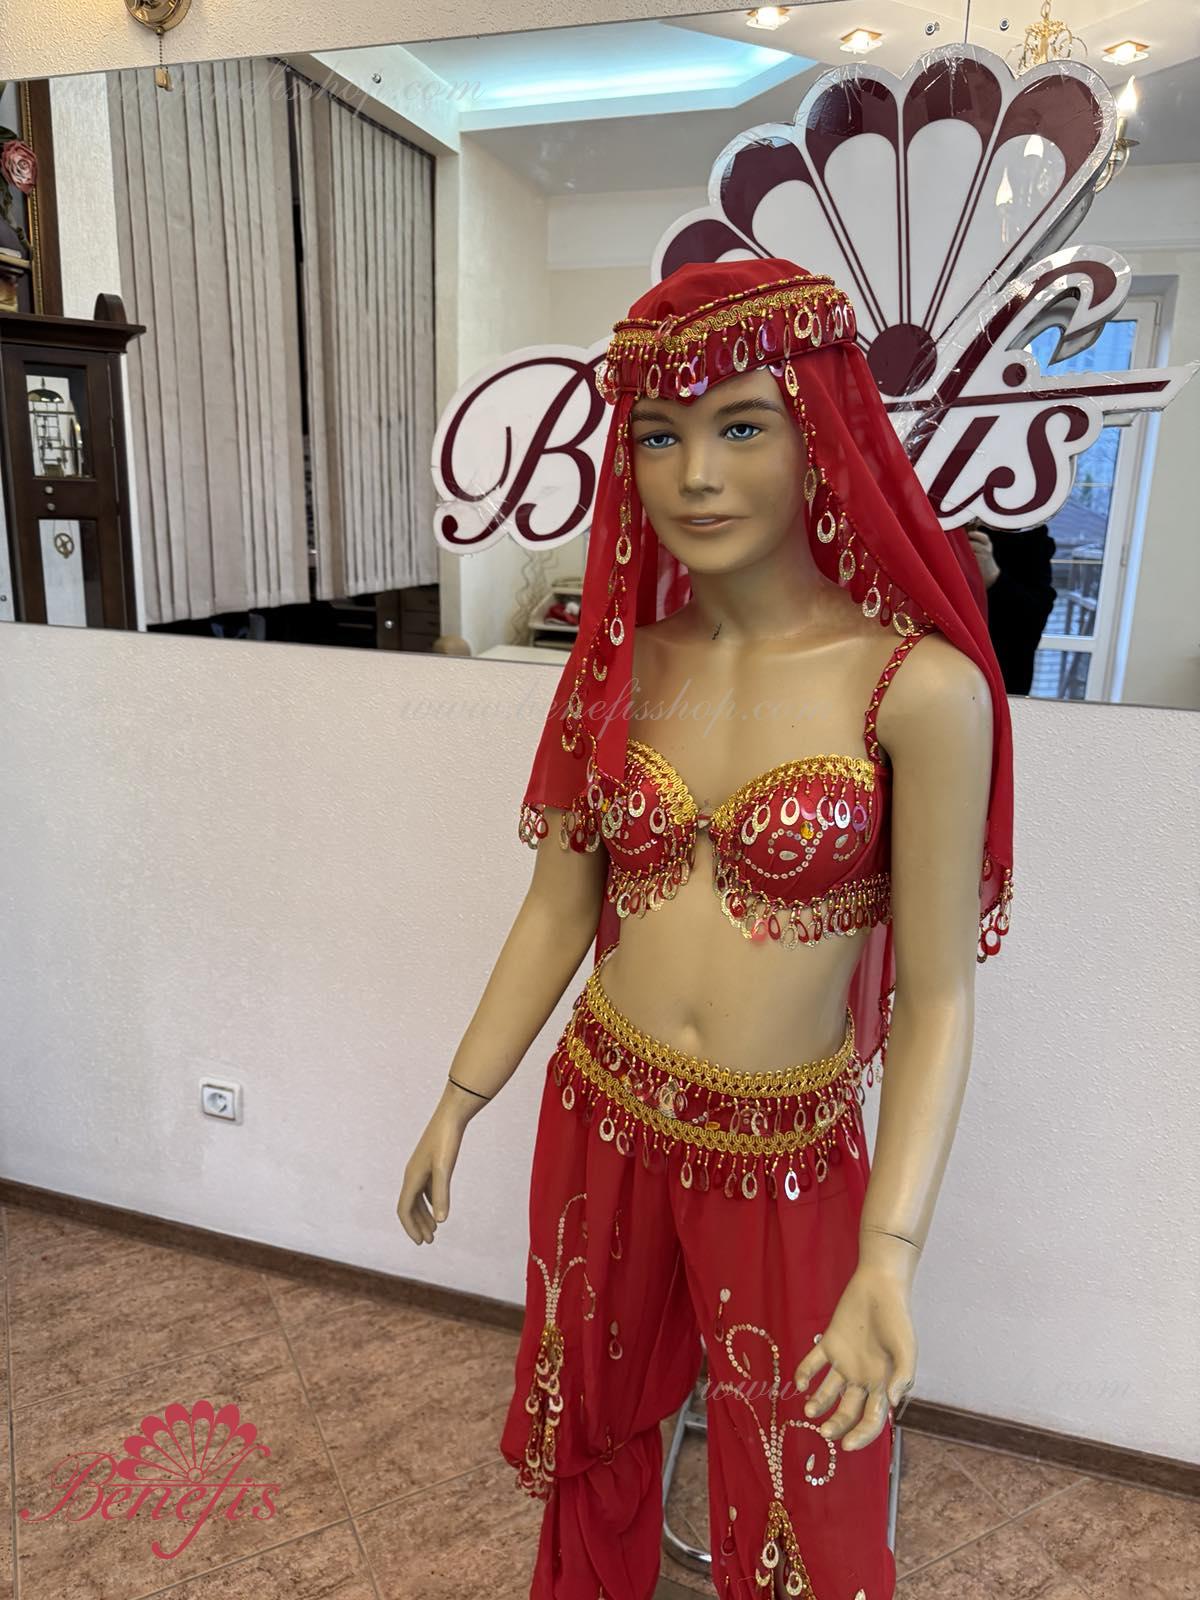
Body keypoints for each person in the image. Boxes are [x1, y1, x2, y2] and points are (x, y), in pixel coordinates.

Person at [397, 260, 1015, 1600]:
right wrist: (460, 1096)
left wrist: (891, 1252)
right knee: (597, 1425)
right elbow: (559, 905)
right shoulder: (621, 669)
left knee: (804, 1482)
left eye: (741, 425)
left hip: (784, 1151)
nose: (695, 475)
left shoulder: (918, 691)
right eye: (659, 436)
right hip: (604, 1106)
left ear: (820, 433)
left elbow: (937, 998)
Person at [964, 516, 1058, 695]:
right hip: (930, 666)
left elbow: (1035, 615)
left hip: (1000, 676)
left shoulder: (1024, 528)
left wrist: (994, 578)